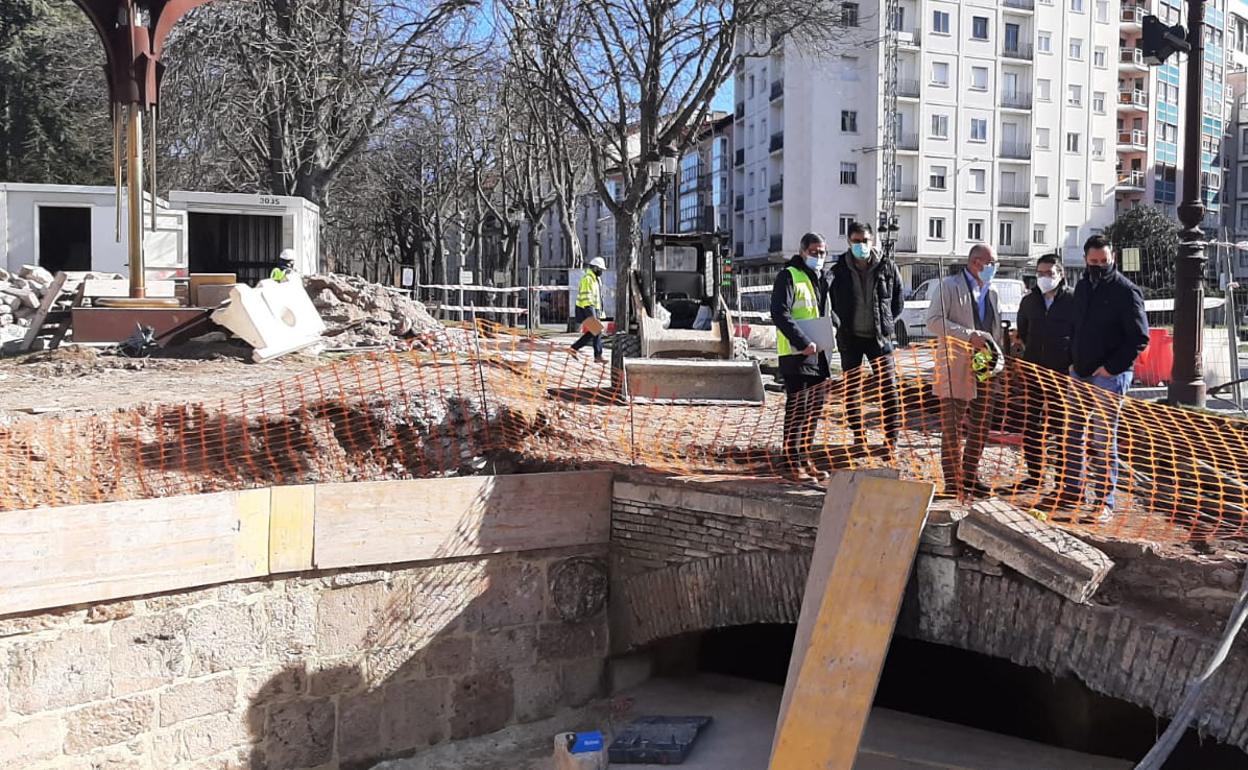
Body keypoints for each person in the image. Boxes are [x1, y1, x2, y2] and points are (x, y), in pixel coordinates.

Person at [1068, 235, 1149, 522]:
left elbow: (1140, 338)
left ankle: (1105, 501)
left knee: (1103, 439)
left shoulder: (1126, 291)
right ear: (1085, 260)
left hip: (1109, 376)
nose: (1099, 266)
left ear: (1112, 257)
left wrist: (1112, 367)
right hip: (1080, 371)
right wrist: (1073, 360)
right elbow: (1076, 326)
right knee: (1073, 434)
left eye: (1104, 261)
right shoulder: (1082, 286)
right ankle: (1073, 492)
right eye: (1094, 262)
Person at [926, 244, 1005, 500]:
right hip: (954, 366)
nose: (995, 267)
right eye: (992, 262)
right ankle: (953, 482)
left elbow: (994, 331)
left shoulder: (992, 292)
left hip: (985, 368)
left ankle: (970, 477)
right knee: (952, 427)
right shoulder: (948, 287)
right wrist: (969, 336)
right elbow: (934, 321)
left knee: (981, 425)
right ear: (976, 262)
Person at [827, 221, 904, 457]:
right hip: (850, 338)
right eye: (857, 241)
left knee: (889, 388)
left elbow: (897, 302)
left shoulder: (887, 267)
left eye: (866, 240)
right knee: (852, 389)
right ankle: (858, 436)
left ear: (873, 241)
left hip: (880, 339)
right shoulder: (839, 270)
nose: (862, 245)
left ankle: (891, 440)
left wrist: (885, 323)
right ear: (849, 242)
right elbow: (831, 301)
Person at [771, 232, 839, 481]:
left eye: (822, 252)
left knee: (813, 411)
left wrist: (835, 327)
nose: (818, 256)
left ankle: (804, 456)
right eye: (814, 252)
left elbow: (825, 311)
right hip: (795, 354)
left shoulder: (821, 278)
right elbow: (780, 313)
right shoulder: (789, 276)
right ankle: (791, 463)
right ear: (802, 252)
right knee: (798, 410)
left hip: (820, 355)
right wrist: (802, 341)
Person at [1015, 254, 1079, 505]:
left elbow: (1079, 332)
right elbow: (1023, 331)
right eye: (1040, 273)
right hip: (1034, 371)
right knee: (1032, 424)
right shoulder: (1029, 301)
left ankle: (1062, 479)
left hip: (1062, 373)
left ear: (1060, 274)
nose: (1044, 277)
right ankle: (1035, 474)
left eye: (1049, 273)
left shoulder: (1073, 300)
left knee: (1061, 426)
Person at [569, 257, 607, 362]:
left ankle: (574, 348)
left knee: (593, 332)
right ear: (595, 268)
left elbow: (598, 297)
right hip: (586, 308)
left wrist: (599, 312)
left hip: (592, 309)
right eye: (600, 269)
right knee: (597, 330)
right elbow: (587, 297)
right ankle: (597, 356)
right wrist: (591, 312)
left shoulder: (596, 279)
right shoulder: (588, 279)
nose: (601, 272)